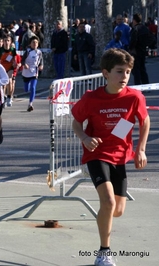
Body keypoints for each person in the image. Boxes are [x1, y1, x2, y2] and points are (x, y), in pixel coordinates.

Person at [72, 48, 150, 266]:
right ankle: (104, 253)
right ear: (106, 73)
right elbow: (76, 122)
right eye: (119, 72)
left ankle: (103, 217)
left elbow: (144, 121)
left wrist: (141, 149)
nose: (124, 77)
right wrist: (85, 137)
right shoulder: (91, 98)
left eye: (127, 72)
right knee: (106, 201)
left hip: (120, 156)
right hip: (96, 154)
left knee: (117, 211)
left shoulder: (135, 97)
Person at [21, 36, 43, 112]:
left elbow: (41, 61)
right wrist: (24, 64)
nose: (35, 44)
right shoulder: (27, 52)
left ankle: (30, 104)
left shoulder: (39, 52)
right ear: (30, 44)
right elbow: (22, 60)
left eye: (36, 42)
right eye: (33, 42)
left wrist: (41, 65)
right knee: (26, 89)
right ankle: (28, 86)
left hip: (34, 72)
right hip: (26, 72)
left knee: (33, 87)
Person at [0, 34, 18, 107]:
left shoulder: (13, 50)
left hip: (10, 68)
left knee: (9, 81)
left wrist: (15, 63)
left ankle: (9, 97)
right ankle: (3, 97)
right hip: (2, 68)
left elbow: (15, 59)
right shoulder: (0, 50)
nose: (6, 42)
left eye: (8, 41)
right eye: (5, 41)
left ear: (10, 42)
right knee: (3, 84)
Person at [129, 13, 150, 85]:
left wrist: (130, 48)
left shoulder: (135, 29)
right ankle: (146, 83)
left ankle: (138, 84)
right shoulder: (145, 28)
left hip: (136, 51)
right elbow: (151, 38)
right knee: (142, 68)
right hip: (143, 50)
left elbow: (133, 40)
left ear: (134, 20)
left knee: (136, 69)